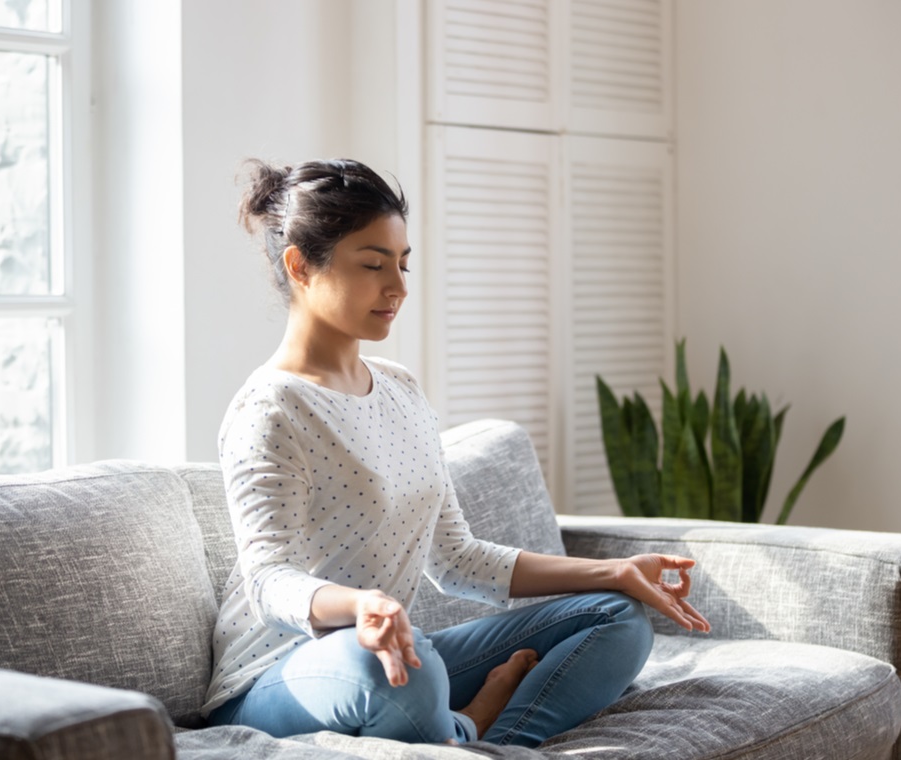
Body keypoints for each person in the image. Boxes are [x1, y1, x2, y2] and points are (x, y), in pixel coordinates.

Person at [203, 158, 710, 747]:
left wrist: (615, 572)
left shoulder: (400, 389)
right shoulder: (271, 408)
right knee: (397, 670)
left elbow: (457, 559)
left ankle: (493, 745)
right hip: (277, 678)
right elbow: (269, 581)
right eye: (373, 265)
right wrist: (361, 605)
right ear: (300, 266)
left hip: (398, 651)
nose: (398, 287)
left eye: (402, 262)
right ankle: (469, 725)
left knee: (616, 617)